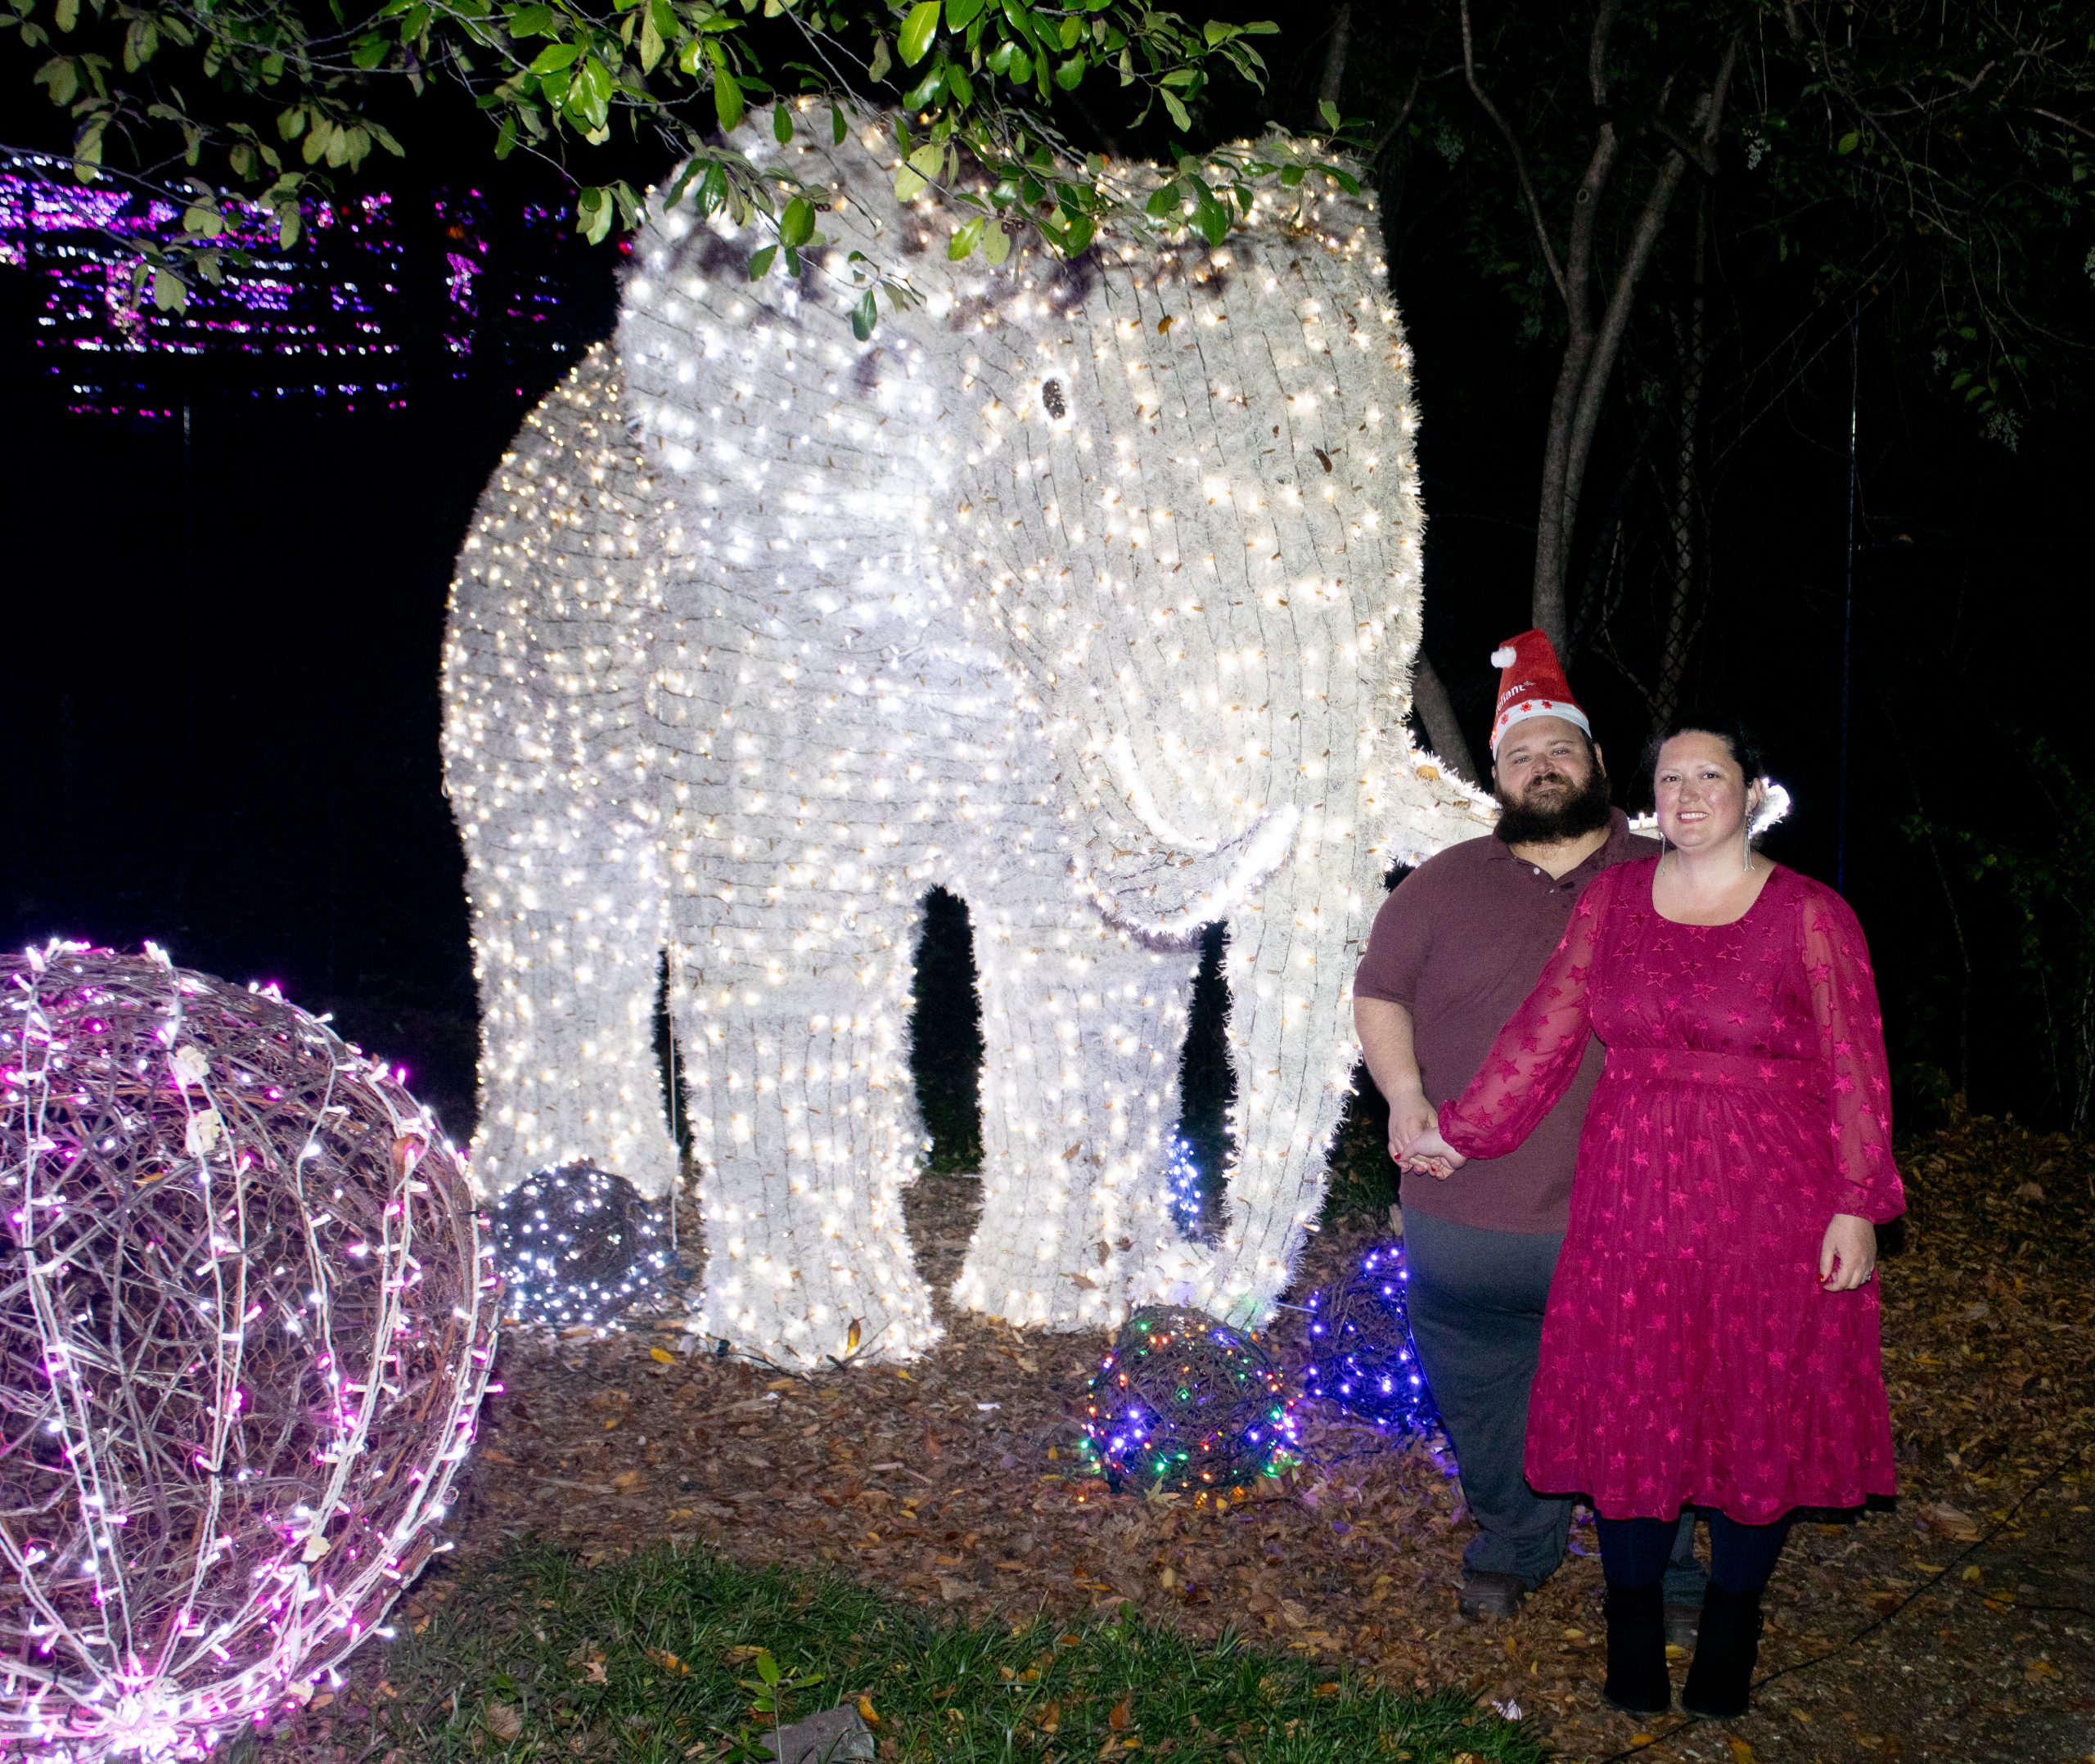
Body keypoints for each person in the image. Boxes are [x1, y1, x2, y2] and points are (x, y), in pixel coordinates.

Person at [1400, 713, 1904, 1718]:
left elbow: (1857, 1066)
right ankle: (1629, 1629)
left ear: (1751, 791)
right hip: (1633, 1198)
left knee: (1756, 1406)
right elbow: (1544, 1032)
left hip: (1773, 1202)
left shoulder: (1811, 914)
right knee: (1637, 1404)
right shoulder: (1615, 901)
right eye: (1668, 778)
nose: (1685, 794)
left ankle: (1731, 1624)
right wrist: (1457, 1129)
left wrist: (1857, 1203)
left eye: (1707, 775)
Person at [1354, 631, 1701, 1627]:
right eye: (1520, 754)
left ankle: (1666, 1570)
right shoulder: (1443, 880)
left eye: (1560, 749)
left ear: (1595, 762)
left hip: (1633, 1211)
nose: (1541, 765)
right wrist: (1403, 1094)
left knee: (1651, 1395)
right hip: (1463, 1206)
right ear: (1496, 776)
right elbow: (1378, 990)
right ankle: (1515, 1539)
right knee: (1481, 1389)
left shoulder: (1667, 876)